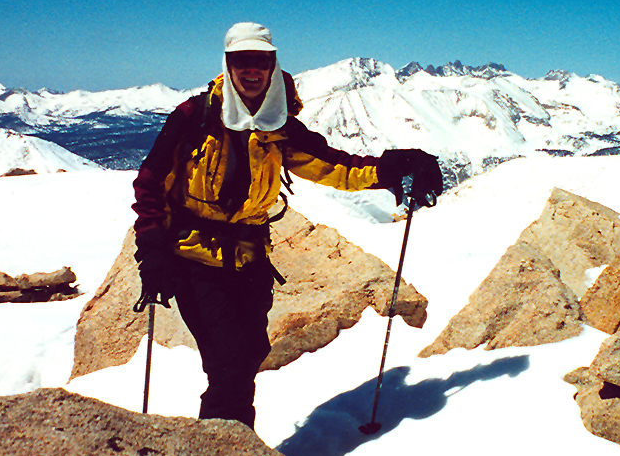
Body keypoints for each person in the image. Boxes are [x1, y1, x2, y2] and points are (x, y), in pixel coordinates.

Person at [131, 22, 441, 428]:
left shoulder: (280, 124)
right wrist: (153, 251)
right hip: (193, 260)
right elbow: (151, 182)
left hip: (250, 261)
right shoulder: (194, 117)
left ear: (273, 65)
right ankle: (222, 450)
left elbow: (334, 166)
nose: (252, 70)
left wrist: (393, 167)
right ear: (228, 65)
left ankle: (229, 445)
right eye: (243, 61)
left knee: (250, 354)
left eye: (260, 61)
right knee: (229, 363)